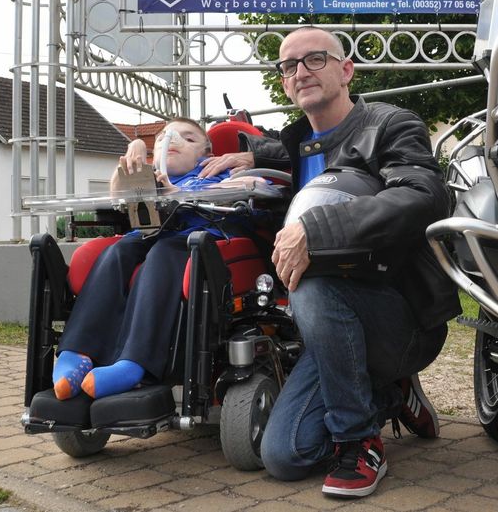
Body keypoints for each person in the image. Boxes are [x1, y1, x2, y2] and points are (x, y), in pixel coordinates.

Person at [253, 26, 461, 498]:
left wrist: (317, 231)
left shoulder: (390, 124)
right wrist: (233, 155)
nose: (301, 71)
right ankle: (391, 393)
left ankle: (359, 440)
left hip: (400, 319)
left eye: (315, 60)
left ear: (346, 70)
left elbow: (424, 195)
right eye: (289, 66)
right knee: (284, 456)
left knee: (314, 281)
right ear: (284, 83)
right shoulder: (297, 146)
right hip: (330, 331)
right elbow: (268, 150)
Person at [51, 118, 234, 401]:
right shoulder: (150, 177)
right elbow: (117, 195)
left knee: (163, 252)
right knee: (118, 251)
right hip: (148, 235)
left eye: (188, 138)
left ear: (207, 153)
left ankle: (135, 362)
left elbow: (247, 190)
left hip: (194, 240)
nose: (172, 140)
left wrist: (179, 192)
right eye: (163, 137)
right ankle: (77, 350)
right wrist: (134, 150)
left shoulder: (215, 173)